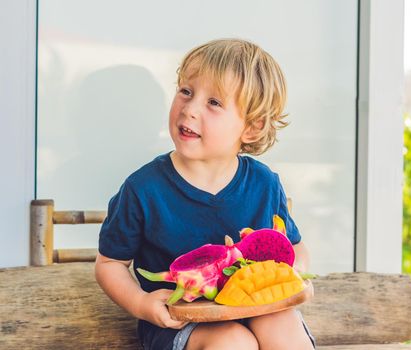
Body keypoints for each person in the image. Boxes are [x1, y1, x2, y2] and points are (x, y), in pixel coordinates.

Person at [95, 38, 315, 350]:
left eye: (213, 103)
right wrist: (142, 304)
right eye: (186, 91)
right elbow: (109, 264)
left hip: (255, 305)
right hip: (181, 321)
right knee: (233, 342)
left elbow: (295, 247)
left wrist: (291, 273)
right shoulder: (143, 189)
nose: (190, 108)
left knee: (282, 325)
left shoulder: (264, 183)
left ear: (251, 127)